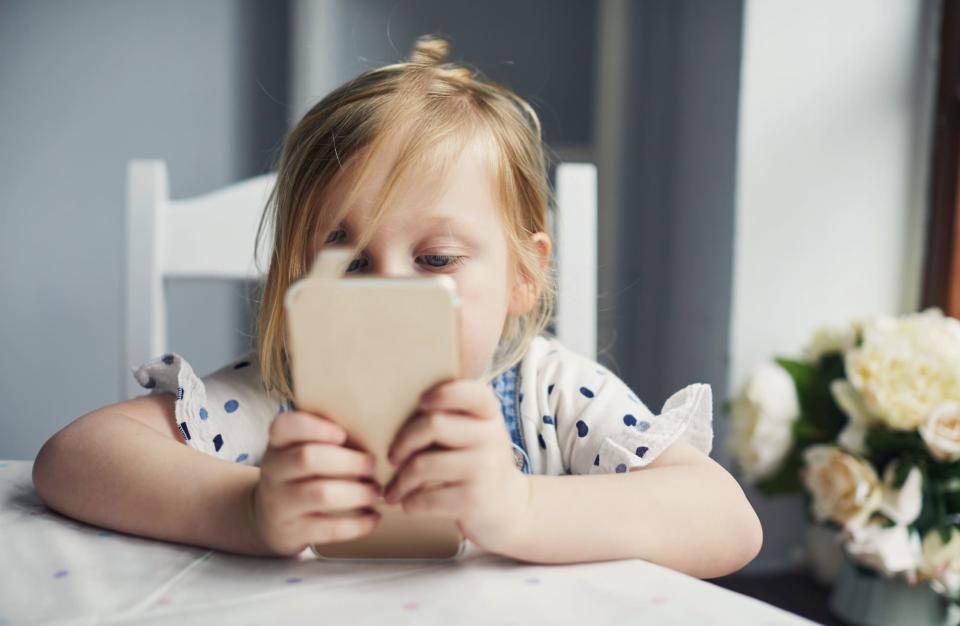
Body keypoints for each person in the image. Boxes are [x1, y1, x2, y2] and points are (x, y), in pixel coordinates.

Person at [32, 35, 762, 577]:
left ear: (523, 277)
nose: (384, 287)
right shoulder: (282, 401)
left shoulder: (552, 396)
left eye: (436, 259)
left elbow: (728, 524)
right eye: (346, 259)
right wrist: (249, 511)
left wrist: (520, 508)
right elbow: (75, 459)